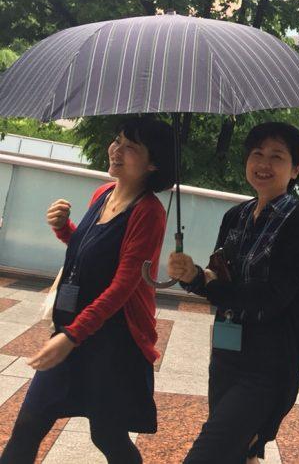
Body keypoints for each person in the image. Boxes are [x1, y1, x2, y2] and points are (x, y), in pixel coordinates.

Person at [0, 117, 174, 464]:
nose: (116, 150)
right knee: (29, 425)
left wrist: (71, 336)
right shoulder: (103, 193)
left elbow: (123, 285)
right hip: (76, 330)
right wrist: (65, 228)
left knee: (107, 435)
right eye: (118, 140)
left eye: (131, 147)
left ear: (153, 164)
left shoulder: (149, 212)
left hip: (114, 343)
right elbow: (90, 254)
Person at [169, 122, 299, 464]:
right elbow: (219, 275)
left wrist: (210, 284)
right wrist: (192, 275)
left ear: (295, 169)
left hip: (267, 364)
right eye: (257, 154)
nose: (264, 164)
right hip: (226, 353)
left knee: (207, 454)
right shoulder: (234, 216)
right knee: (236, 451)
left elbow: (272, 298)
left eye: (277, 157)